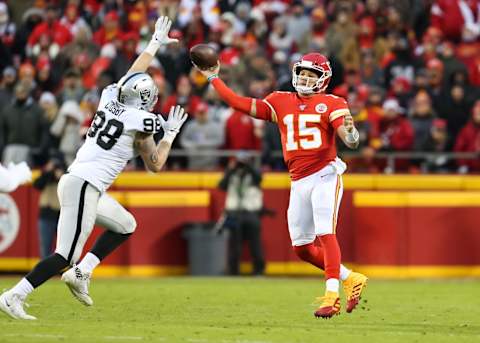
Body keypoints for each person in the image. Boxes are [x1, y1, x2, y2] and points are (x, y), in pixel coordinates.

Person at [0, 16, 187, 320]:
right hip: (85, 185)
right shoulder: (142, 121)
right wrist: (170, 134)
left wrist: (154, 43)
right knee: (65, 254)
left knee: (126, 224)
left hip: (81, 182)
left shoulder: (109, 96)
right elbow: (155, 164)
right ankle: (13, 296)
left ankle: (82, 273)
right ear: (144, 99)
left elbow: (132, 74)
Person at [195, 52, 368, 318]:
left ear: (323, 79)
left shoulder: (333, 103)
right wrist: (213, 78)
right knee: (301, 248)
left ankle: (331, 295)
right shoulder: (280, 100)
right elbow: (238, 103)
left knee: (325, 231)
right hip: (298, 180)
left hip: (325, 173)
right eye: (302, 74)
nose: (305, 79)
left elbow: (350, 140)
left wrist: (352, 132)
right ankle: (350, 278)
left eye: (312, 75)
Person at [219, 152, 265, 276]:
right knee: (235, 244)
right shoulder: (232, 174)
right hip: (234, 213)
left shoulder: (253, 173)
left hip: (251, 212)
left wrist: (248, 166)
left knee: (255, 244)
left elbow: (259, 179)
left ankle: (258, 271)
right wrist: (231, 170)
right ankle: (233, 271)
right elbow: (221, 186)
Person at [32, 154, 66, 258]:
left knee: (65, 247)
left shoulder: (66, 174)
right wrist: (47, 172)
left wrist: (61, 176)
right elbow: (37, 185)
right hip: (46, 214)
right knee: (45, 247)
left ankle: (69, 271)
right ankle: (45, 272)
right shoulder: (45, 175)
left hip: (62, 215)